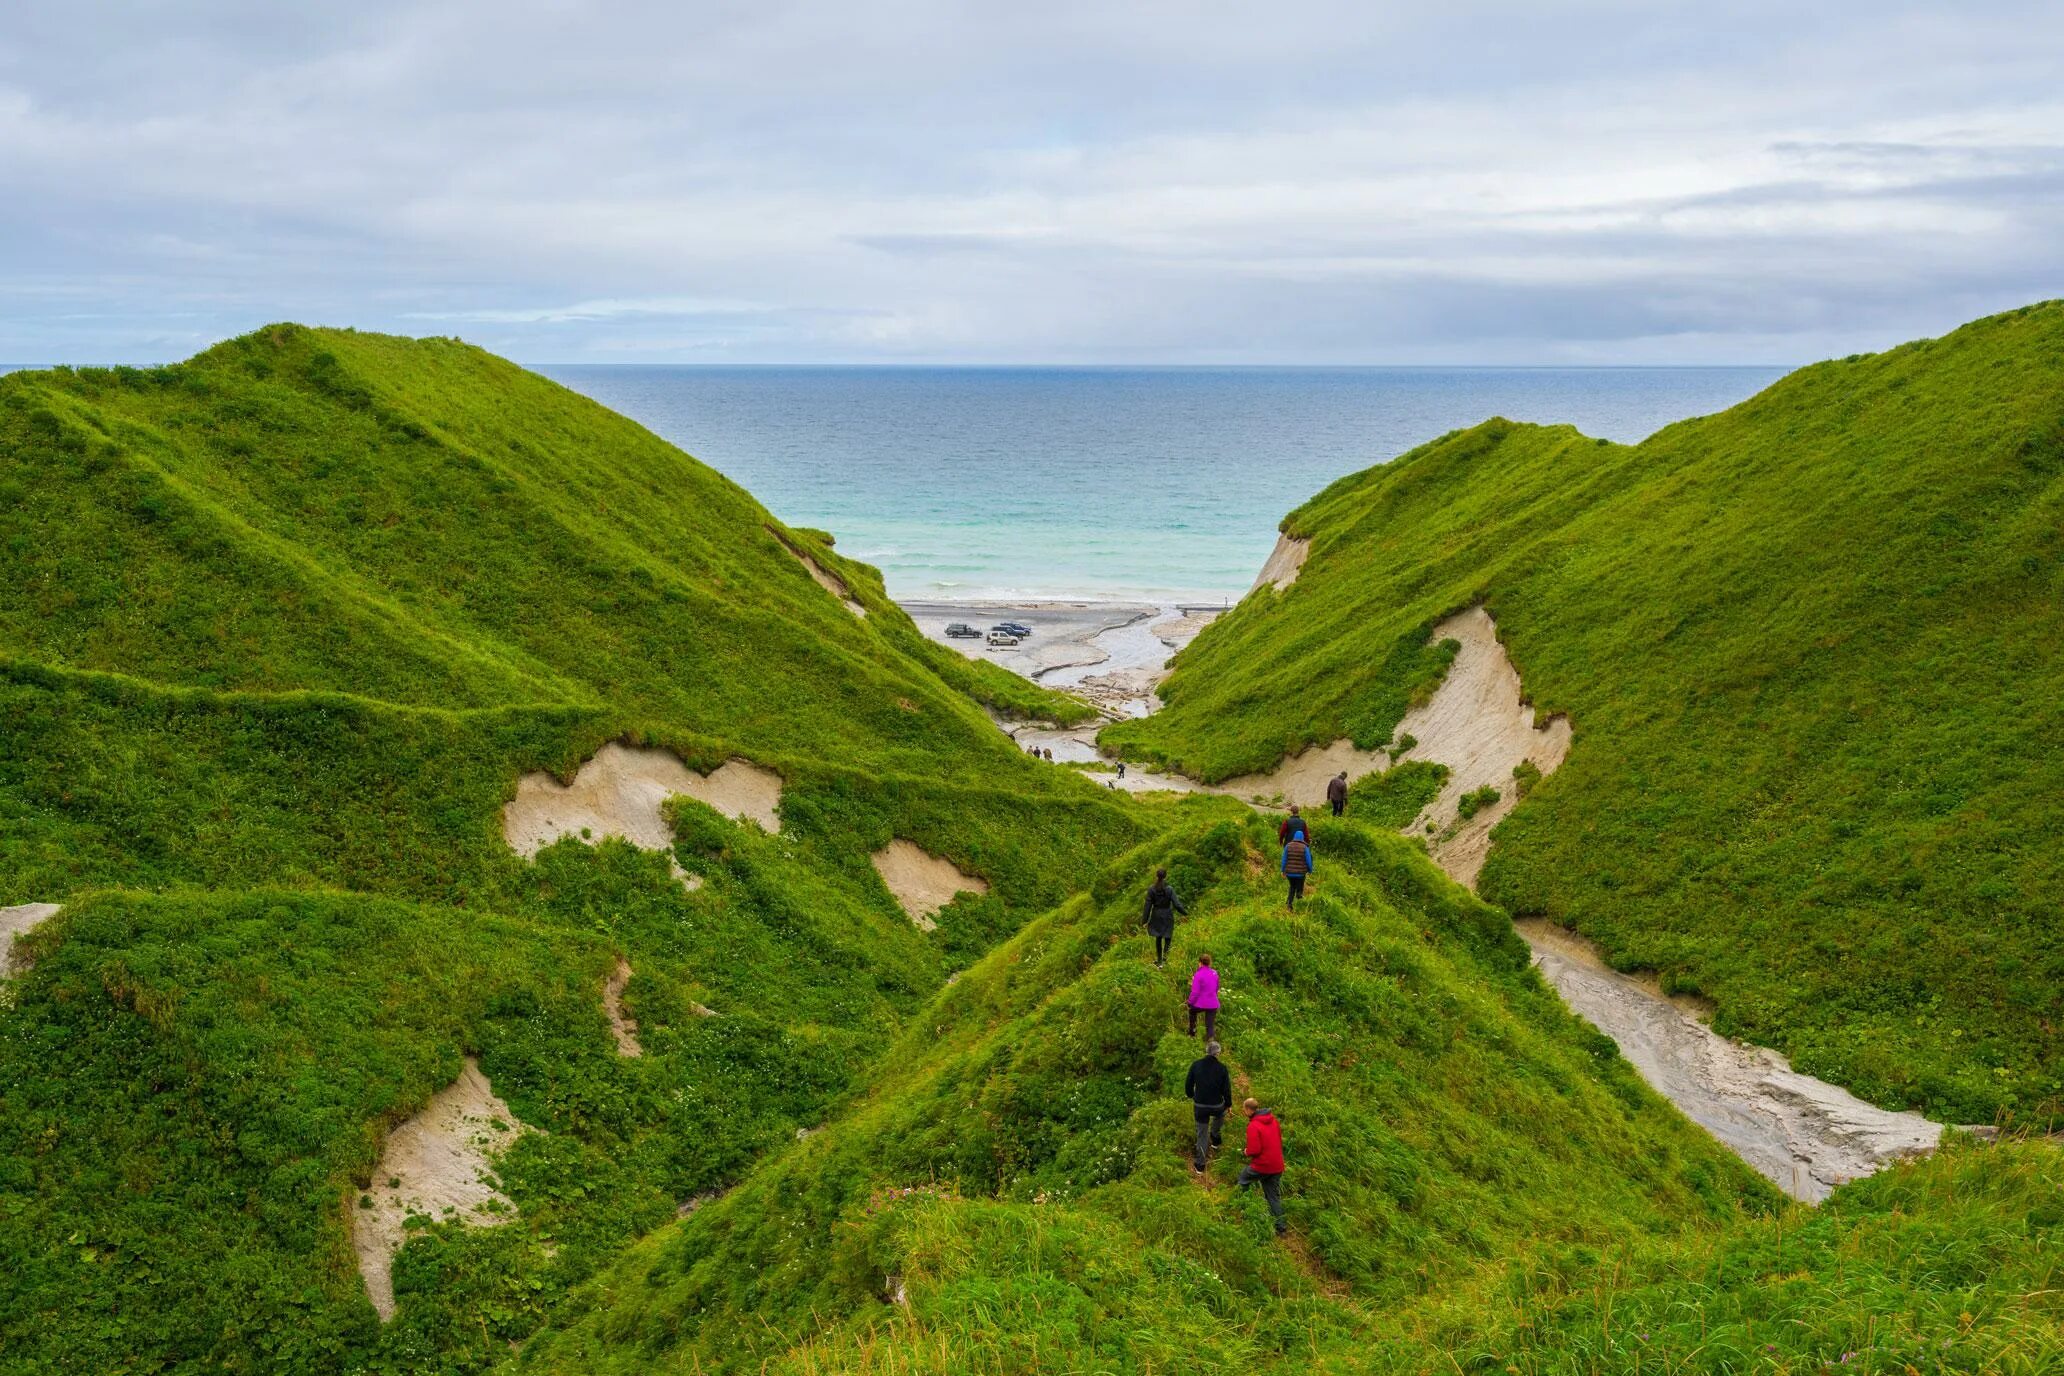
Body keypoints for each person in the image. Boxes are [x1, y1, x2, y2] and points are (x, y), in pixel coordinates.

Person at [1237, 1097, 1287, 1236]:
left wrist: (1245, 1151)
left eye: (1243, 1109)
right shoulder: (1273, 1121)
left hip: (1263, 1165)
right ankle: (1281, 1228)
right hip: (1277, 1165)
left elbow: (1254, 1150)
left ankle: (1244, 1209)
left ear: (1248, 1109)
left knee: (1242, 1179)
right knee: (1273, 1196)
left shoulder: (1253, 1126)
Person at [1184, 1041, 1232, 1171]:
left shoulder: (1196, 1065)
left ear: (1206, 1051)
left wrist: (1190, 1095)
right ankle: (1216, 1138)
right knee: (1220, 1115)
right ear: (1218, 1053)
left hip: (1200, 1105)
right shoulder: (1222, 1068)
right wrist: (1228, 1104)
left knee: (1202, 1134)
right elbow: (1226, 1089)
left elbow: (1188, 1084)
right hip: (1216, 1105)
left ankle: (1200, 1165)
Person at [1141, 867, 1186, 967]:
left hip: (1156, 914)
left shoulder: (1151, 889)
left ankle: (1159, 960)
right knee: (1168, 936)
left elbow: (1147, 906)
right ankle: (1165, 960)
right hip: (1167, 914)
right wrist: (1185, 913)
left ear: (1156, 876)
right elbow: (1177, 905)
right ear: (1165, 876)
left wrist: (1144, 920)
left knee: (1158, 937)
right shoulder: (1169, 889)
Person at [1187, 955, 1219, 1038]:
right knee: (1210, 1025)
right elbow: (1216, 988)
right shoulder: (1215, 973)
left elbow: (1195, 992)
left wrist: (1190, 1002)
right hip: (1213, 1003)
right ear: (1209, 963)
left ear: (1200, 963)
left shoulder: (1198, 975)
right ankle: (1211, 1043)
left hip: (1201, 1003)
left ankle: (1192, 1033)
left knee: (1192, 1012)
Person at [1281, 833, 1314, 908]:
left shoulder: (1288, 846)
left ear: (1294, 837)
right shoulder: (1305, 847)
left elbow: (1284, 859)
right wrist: (1310, 870)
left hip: (1289, 873)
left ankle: (1289, 903)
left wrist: (1282, 870)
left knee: (1292, 886)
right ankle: (1299, 894)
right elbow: (1308, 860)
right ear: (1302, 838)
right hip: (1300, 873)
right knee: (1300, 883)